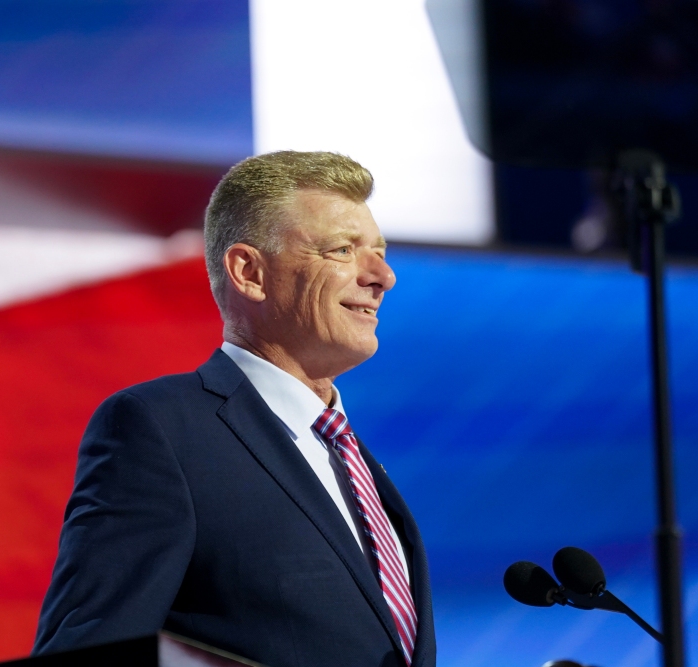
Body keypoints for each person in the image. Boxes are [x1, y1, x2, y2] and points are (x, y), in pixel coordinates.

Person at [33, 151, 435, 667]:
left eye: (379, 252)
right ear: (249, 273)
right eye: (342, 250)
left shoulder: (353, 458)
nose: (383, 276)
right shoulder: (163, 431)